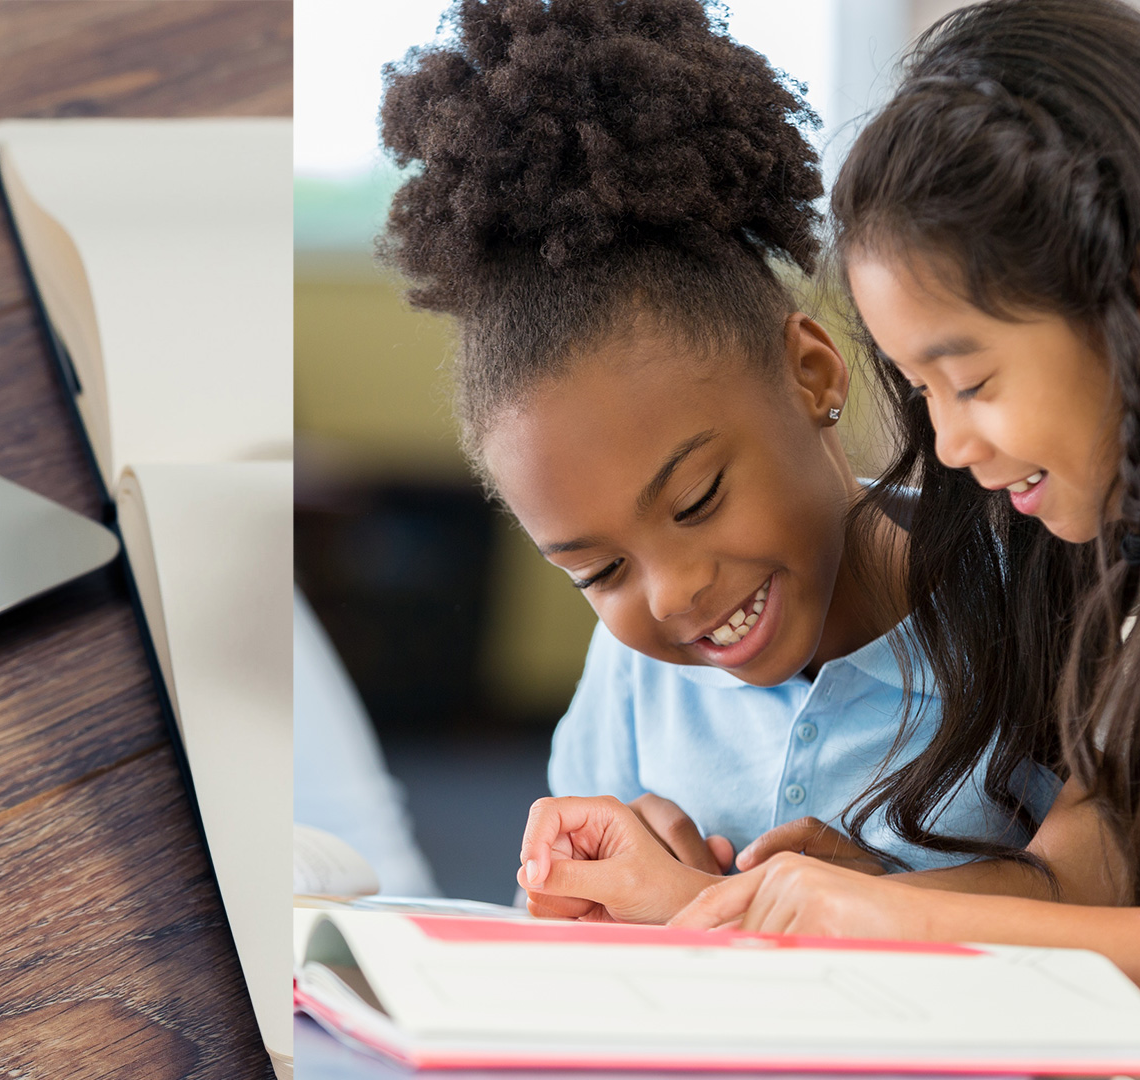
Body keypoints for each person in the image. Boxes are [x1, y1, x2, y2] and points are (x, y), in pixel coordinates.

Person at [593, 0, 1140, 1045]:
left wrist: (899, 916)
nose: (949, 450)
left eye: (971, 380)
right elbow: (1088, 880)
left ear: (1136, 300)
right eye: (921, 393)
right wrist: (861, 902)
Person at [378, 0, 1056, 924]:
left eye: (695, 500)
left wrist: (857, 906)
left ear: (813, 374)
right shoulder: (632, 681)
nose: (672, 595)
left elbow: (1111, 898)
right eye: (599, 570)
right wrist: (582, 905)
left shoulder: (1033, 588)